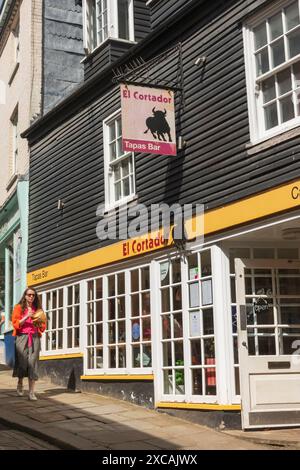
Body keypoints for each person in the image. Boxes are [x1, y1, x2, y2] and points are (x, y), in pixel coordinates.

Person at [12, 287, 46, 401]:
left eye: (33, 295)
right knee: (22, 363)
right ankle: (20, 382)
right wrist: (27, 316)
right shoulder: (18, 308)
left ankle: (31, 392)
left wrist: (38, 321)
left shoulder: (38, 309)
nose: (31, 297)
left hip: (35, 337)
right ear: (25, 296)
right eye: (29, 295)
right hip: (22, 337)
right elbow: (15, 324)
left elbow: (43, 327)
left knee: (33, 363)